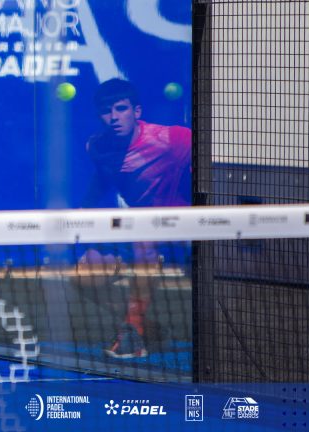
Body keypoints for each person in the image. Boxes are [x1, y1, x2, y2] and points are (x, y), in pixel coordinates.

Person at [81, 78, 191, 359]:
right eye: (106, 111)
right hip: (140, 224)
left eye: (121, 109)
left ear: (136, 111)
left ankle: (133, 333)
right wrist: (83, 211)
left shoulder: (170, 140)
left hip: (181, 228)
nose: (114, 117)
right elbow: (104, 178)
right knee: (84, 275)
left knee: (144, 242)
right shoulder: (96, 147)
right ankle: (141, 327)